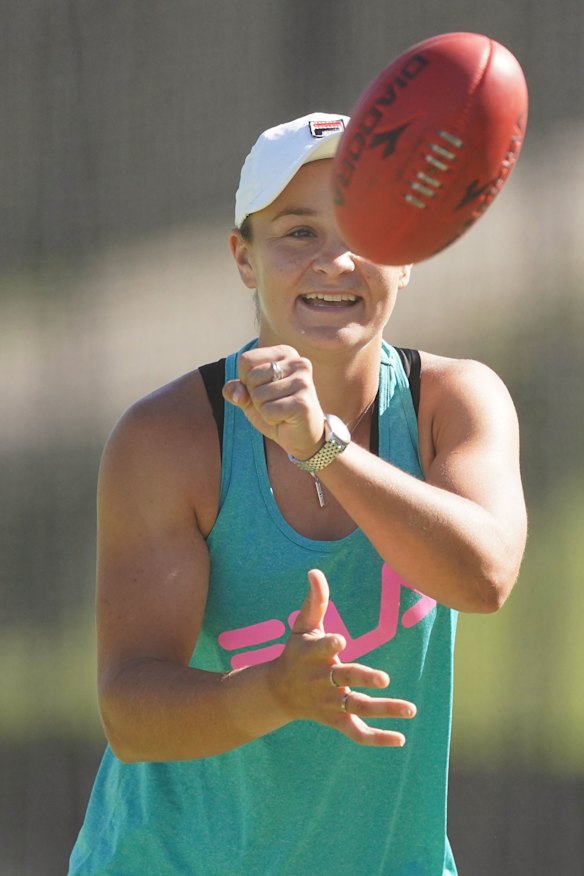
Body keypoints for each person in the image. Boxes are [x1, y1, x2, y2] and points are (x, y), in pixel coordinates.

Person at [69, 112, 527, 875]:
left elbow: (483, 577)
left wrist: (322, 447)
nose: (336, 261)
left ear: (408, 256)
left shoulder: (455, 401)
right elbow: (132, 715)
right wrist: (277, 694)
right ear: (243, 259)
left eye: (366, 229)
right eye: (297, 233)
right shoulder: (169, 440)